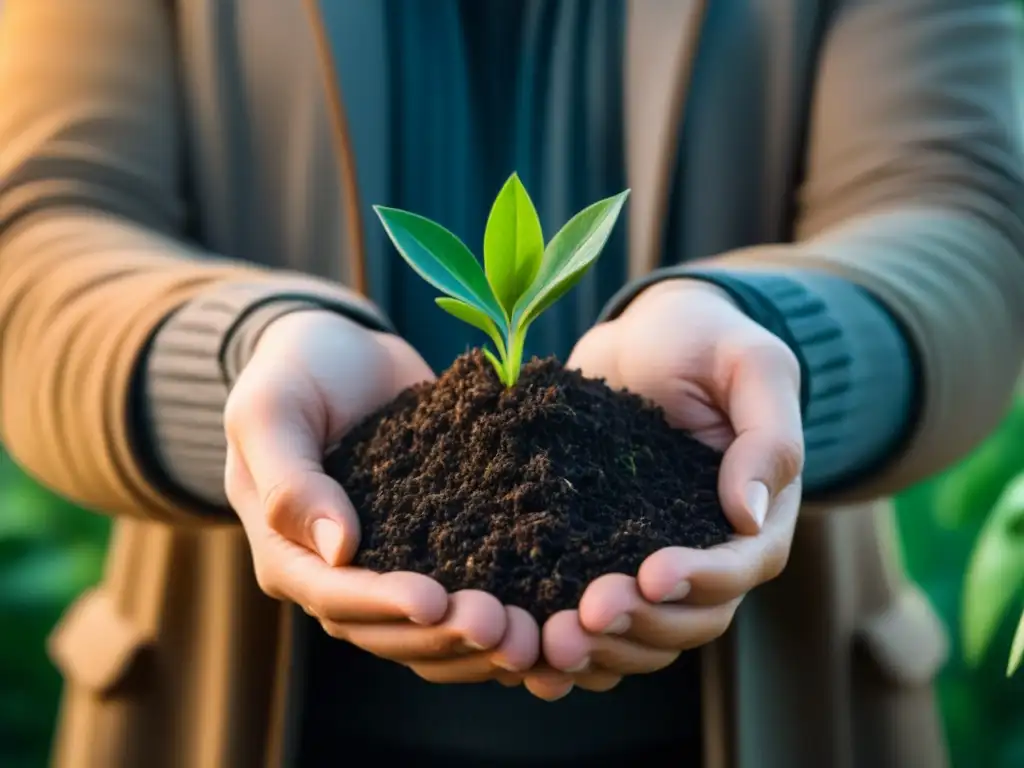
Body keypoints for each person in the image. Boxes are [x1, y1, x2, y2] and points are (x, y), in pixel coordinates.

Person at [1, 0, 1022, 766]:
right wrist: (243, 357)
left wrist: (772, 340)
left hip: (773, 714)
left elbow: (965, 212)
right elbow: (38, 232)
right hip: (235, 713)